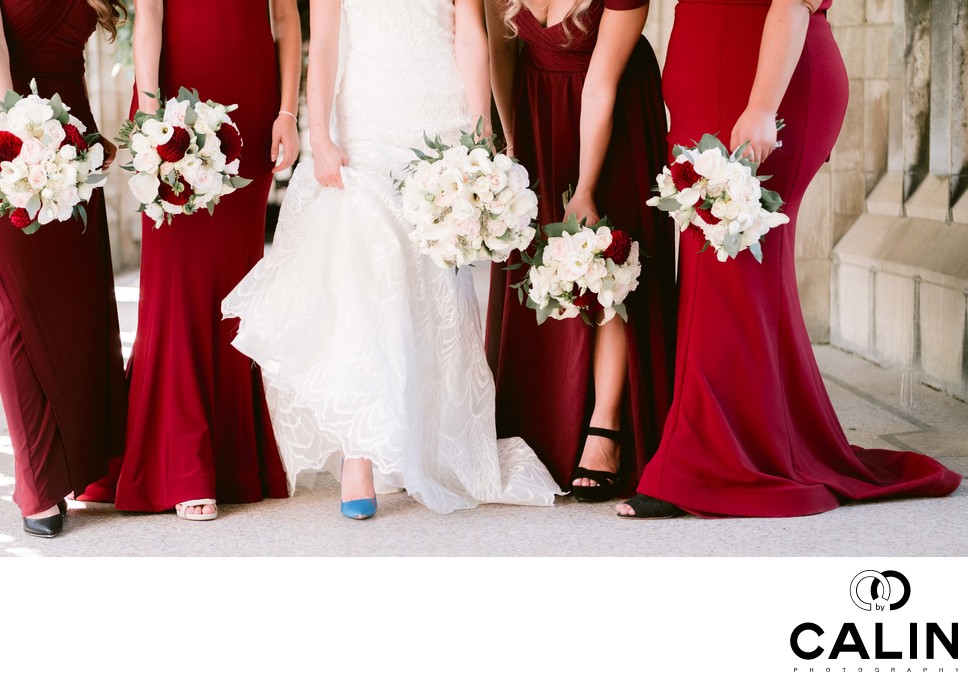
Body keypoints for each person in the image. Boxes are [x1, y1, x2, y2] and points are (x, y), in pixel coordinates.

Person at [617, 0, 962, 518]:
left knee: (730, 266)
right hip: (709, 85)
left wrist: (761, 106)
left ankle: (704, 466)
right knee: (719, 274)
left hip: (762, 83)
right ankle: (737, 449)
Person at [223, 0, 563, 519]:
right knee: (363, 266)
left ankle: (411, 440)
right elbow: (329, 39)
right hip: (366, 121)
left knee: (428, 281)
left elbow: (470, 35)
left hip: (440, 118)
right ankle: (358, 451)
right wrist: (319, 130)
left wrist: (481, 132)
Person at [100, 0, 302, 520]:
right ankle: (184, 462)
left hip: (251, 102)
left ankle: (234, 458)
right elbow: (151, 12)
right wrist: (149, 107)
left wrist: (286, 111)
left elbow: (285, 18)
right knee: (175, 279)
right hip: (172, 102)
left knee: (237, 278)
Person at [483, 0, 676, 501]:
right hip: (538, 112)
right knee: (546, 268)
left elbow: (601, 84)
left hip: (612, 113)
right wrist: (510, 142)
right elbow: (501, 54)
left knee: (609, 265)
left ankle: (605, 429)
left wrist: (586, 186)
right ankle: (545, 421)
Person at [0, 0, 127, 537]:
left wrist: (86, 141)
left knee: (79, 300)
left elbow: (68, 67)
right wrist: (24, 147)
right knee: (15, 302)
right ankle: (36, 483)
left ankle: (85, 461)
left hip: (70, 138)